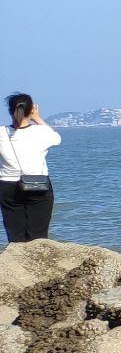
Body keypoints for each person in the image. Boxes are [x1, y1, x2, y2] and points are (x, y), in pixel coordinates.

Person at [0, 92, 61, 243]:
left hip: (8, 186)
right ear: (31, 110)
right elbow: (57, 139)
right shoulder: (41, 132)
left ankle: (16, 265)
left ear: (10, 111)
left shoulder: (1, 133)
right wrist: (37, 118)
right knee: (39, 236)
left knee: (15, 237)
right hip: (38, 184)